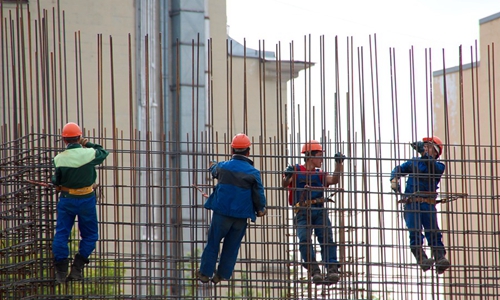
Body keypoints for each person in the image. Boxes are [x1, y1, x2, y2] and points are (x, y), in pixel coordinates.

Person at [197, 133, 267, 284]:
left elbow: (214, 170)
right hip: (241, 217)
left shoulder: (223, 167)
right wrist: (261, 208)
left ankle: (205, 273)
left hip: (222, 214)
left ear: (232, 151)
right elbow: (258, 194)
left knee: (213, 242)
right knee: (232, 246)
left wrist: (212, 164)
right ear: (248, 151)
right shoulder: (253, 172)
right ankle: (222, 274)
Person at [51, 122, 109, 283]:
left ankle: (61, 272)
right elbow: (103, 152)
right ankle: (77, 268)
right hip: (86, 199)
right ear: (79, 137)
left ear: (64, 140)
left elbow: (57, 180)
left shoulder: (59, 159)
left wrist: (58, 184)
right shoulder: (89, 154)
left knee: (62, 234)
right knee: (90, 235)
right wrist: (86, 143)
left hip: (67, 199)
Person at [282, 140, 345, 284]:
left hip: (319, 210)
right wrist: (288, 174)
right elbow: (285, 184)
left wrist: (339, 164)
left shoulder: (321, 174)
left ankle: (332, 269)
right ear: (310, 156)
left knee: (326, 238)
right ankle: (314, 269)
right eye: (320, 155)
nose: (322, 159)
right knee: (304, 239)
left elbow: (334, 179)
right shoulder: (296, 170)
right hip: (302, 211)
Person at [389, 136, 450, 274]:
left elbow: (431, 165)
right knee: (415, 232)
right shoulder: (414, 162)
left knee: (433, 231)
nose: (425, 149)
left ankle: (440, 258)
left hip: (428, 204)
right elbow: (399, 168)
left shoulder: (439, 166)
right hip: (412, 204)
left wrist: (423, 152)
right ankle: (422, 259)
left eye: (428, 147)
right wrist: (394, 178)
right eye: (425, 147)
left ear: (435, 152)